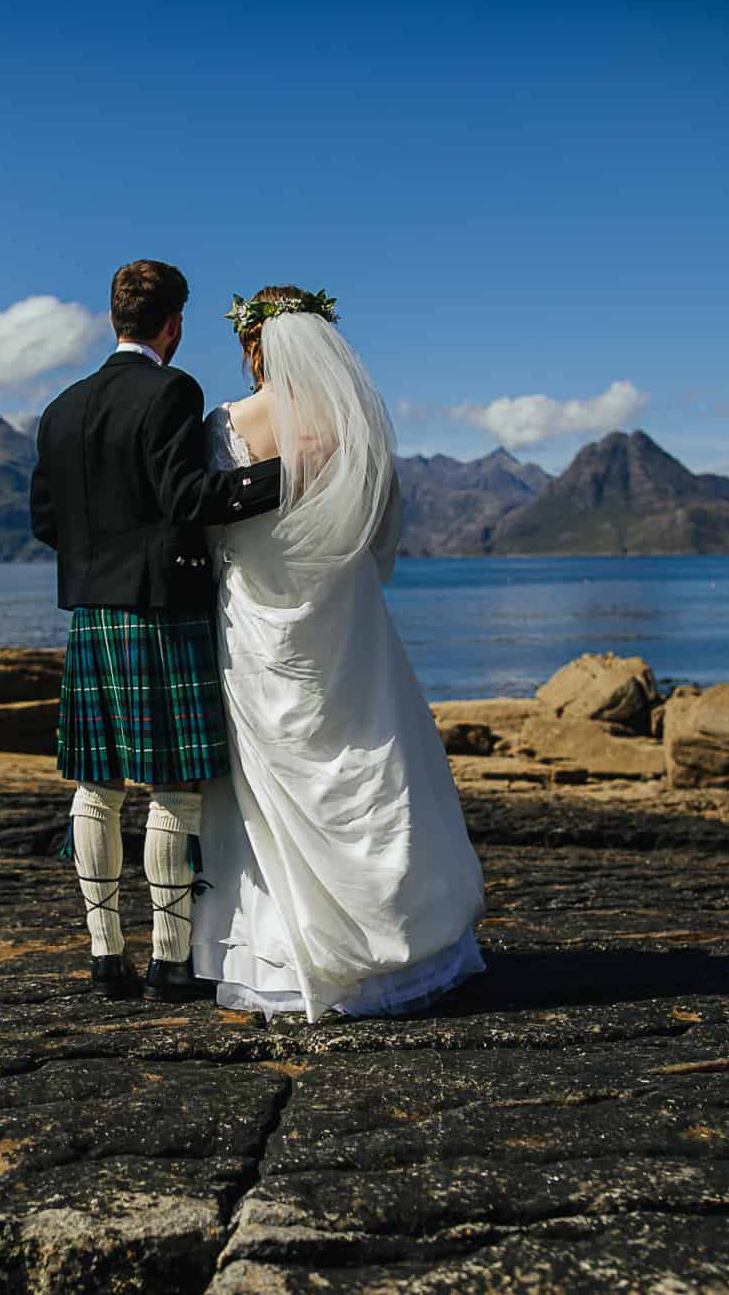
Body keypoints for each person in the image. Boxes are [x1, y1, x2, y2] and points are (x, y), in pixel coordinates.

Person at [194, 286, 488, 1021]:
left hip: (261, 625)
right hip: (346, 622)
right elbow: (373, 520)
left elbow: (208, 518)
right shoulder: (351, 425)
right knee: (372, 756)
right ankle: (405, 944)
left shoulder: (225, 424)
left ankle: (278, 959)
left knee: (269, 788)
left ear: (251, 346)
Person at [28, 259, 286, 1002]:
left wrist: (98, 558)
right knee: (173, 787)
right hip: (161, 612)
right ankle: (172, 961)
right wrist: (287, 474)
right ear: (171, 324)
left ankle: (106, 955)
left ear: (114, 318)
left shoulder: (61, 407)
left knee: (97, 785)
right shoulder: (173, 389)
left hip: (92, 614)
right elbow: (188, 496)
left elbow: (47, 520)